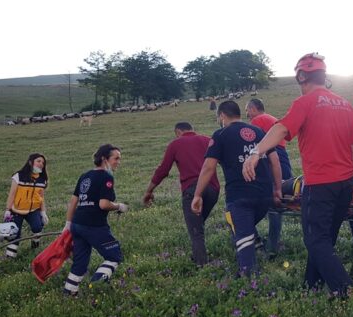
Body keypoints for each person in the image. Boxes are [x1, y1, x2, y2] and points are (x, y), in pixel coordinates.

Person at [242, 53, 353, 296]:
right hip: (345, 183)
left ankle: (346, 290)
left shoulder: (305, 102)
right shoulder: (345, 104)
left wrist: (255, 153)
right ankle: (311, 285)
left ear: (301, 76)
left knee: (316, 241)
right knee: (325, 239)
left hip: (321, 184)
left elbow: (282, 128)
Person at [192, 101, 282, 277]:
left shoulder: (221, 134)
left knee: (242, 236)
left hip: (240, 197)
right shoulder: (259, 132)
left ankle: (249, 280)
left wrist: (197, 194)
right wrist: (277, 189)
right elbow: (275, 162)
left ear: (222, 116)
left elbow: (208, 168)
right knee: (240, 226)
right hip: (264, 196)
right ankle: (257, 247)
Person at [142, 122, 220, 266]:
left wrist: (149, 191)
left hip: (192, 190)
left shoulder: (176, 144)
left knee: (196, 231)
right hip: (213, 189)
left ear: (178, 132)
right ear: (192, 130)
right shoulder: (207, 140)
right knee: (198, 224)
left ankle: (201, 266)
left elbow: (163, 170)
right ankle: (196, 255)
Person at [63, 144, 129, 296]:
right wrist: (119, 206)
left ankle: (69, 293)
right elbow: (104, 204)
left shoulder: (85, 175)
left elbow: (73, 202)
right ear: (104, 159)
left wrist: (68, 224)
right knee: (114, 256)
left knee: (80, 262)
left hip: (77, 224)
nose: (118, 162)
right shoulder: (107, 176)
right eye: (116, 158)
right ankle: (96, 285)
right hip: (94, 226)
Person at [245, 98, 292, 259]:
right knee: (277, 201)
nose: (247, 114)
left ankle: (270, 246)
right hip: (282, 158)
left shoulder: (257, 120)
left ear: (253, 109)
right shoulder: (271, 118)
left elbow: (251, 142)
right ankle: (273, 242)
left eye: (247, 110)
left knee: (272, 204)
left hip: (273, 157)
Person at [3, 153, 49, 258]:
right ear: (30, 162)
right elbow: (12, 194)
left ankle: (35, 246)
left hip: (33, 210)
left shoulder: (42, 180)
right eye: (38, 161)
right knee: (14, 234)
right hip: (16, 210)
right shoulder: (18, 176)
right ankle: (10, 257)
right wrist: (8, 210)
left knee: (37, 227)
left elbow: (41, 198)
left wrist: (43, 212)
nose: (41, 164)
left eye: (43, 162)